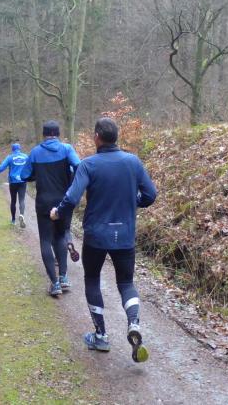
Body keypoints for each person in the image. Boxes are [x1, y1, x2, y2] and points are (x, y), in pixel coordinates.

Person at [50, 117, 157, 363]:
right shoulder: (133, 162)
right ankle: (134, 323)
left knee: (92, 279)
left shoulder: (88, 165)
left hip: (96, 236)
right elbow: (151, 194)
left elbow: (72, 198)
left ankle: (100, 336)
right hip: (125, 234)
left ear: (97, 137)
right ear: (116, 137)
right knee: (126, 282)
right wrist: (133, 202)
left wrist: (57, 212)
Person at [20, 120, 81, 297]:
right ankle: (63, 277)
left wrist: (36, 175)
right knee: (61, 236)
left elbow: (24, 175)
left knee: (46, 241)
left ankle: (55, 284)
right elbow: (79, 166)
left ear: (44, 135)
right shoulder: (67, 149)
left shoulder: (35, 152)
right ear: (58, 134)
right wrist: (72, 185)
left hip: (44, 203)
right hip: (63, 201)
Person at [0, 143, 29, 227]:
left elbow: (1, 167)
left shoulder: (10, 157)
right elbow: (31, 167)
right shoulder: (26, 157)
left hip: (13, 182)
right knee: (22, 200)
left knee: (13, 201)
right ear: (19, 148)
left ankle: (13, 220)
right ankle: (22, 215)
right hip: (23, 181)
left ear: (12, 149)